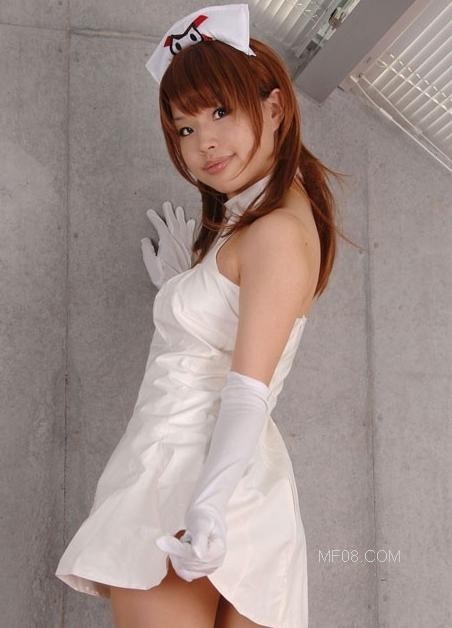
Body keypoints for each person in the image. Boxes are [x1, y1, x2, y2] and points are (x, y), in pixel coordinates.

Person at [55, 4, 350, 626]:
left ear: (275, 108)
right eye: (184, 128)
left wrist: (207, 506)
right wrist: (185, 287)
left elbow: (247, 393)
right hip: (237, 484)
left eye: (220, 111)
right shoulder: (260, 221)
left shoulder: (274, 231)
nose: (204, 142)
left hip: (183, 476)